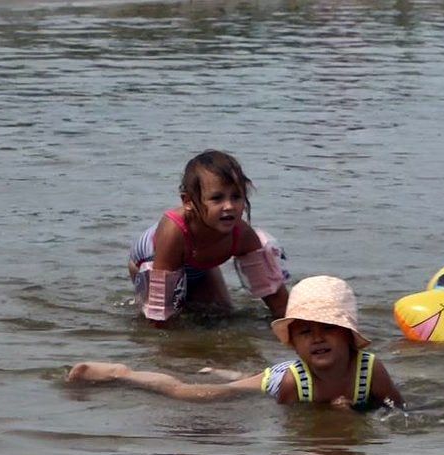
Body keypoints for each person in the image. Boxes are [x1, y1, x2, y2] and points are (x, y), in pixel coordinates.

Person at [68, 276, 405, 410]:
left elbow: (398, 410)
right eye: (304, 332)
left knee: (241, 377)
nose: (316, 338)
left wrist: (358, 415)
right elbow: (295, 423)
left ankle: (226, 371)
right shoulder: (289, 381)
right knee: (192, 393)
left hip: (299, 381)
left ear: (348, 335)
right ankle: (123, 373)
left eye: (327, 329)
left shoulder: (371, 369)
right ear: (294, 344)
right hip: (281, 381)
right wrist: (331, 415)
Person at [128, 149, 289, 324]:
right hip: (153, 261)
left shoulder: (242, 234)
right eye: (217, 198)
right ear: (188, 202)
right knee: (167, 319)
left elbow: (275, 297)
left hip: (200, 265)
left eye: (236, 197)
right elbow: (159, 308)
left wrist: (293, 326)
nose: (229, 206)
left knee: (225, 313)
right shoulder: (173, 231)